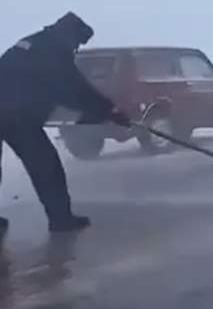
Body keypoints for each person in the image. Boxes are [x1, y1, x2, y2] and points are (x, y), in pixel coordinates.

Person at [0, 12, 130, 234]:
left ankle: (60, 218)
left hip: (11, 112)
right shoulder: (53, 52)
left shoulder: (35, 43)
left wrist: (101, 112)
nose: (76, 49)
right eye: (78, 44)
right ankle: (61, 220)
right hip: (17, 117)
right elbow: (74, 90)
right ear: (71, 36)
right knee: (46, 167)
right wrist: (108, 110)